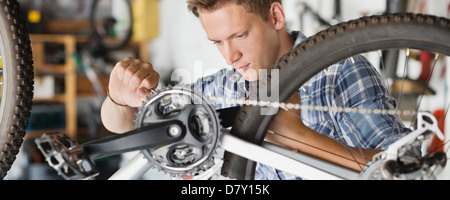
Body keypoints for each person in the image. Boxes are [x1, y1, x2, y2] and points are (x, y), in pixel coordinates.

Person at [101, 0, 409, 180]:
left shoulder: (339, 71)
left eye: (240, 35)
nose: (230, 56)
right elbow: (127, 126)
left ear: (275, 16)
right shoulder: (223, 86)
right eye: (218, 42)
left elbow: (407, 171)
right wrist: (120, 98)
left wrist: (300, 138)